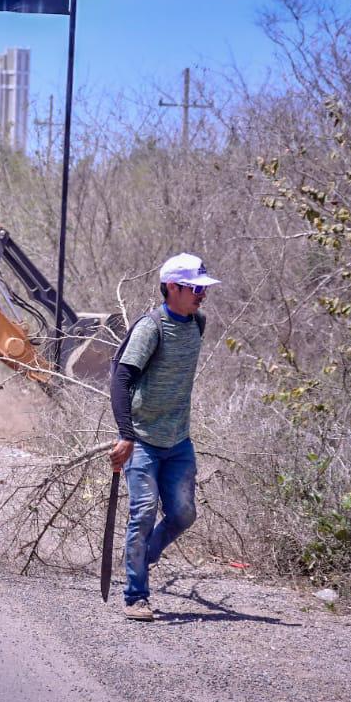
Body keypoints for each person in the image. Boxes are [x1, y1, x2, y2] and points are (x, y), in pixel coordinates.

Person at [109, 253, 220, 622]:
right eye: (195, 289)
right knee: (142, 513)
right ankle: (135, 596)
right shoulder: (150, 328)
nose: (202, 296)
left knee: (184, 514)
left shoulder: (198, 323)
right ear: (172, 287)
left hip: (179, 441)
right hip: (142, 440)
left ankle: (143, 555)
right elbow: (121, 379)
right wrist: (126, 436)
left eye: (203, 289)